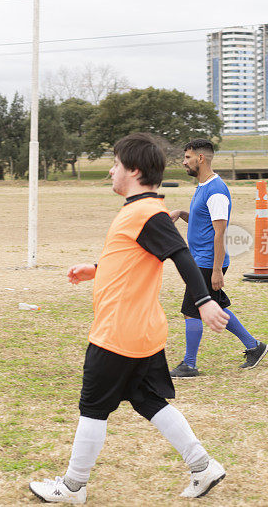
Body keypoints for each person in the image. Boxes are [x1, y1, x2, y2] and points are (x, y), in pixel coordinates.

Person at [28, 133, 231, 504]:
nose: (110, 170)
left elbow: (181, 254)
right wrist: (94, 268)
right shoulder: (139, 210)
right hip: (140, 332)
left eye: (116, 164)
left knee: (93, 406)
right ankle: (203, 466)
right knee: (149, 400)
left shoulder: (147, 212)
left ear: (134, 171)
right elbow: (129, 258)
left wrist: (204, 301)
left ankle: (73, 487)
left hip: (118, 334)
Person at [167, 138, 268, 379]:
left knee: (192, 311)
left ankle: (189, 365)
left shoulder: (216, 191)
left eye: (187, 158)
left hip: (208, 261)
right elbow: (203, 222)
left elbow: (220, 232)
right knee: (214, 305)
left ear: (200, 158)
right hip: (202, 259)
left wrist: (216, 271)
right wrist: (182, 214)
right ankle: (254, 346)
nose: (184, 162)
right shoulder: (203, 187)